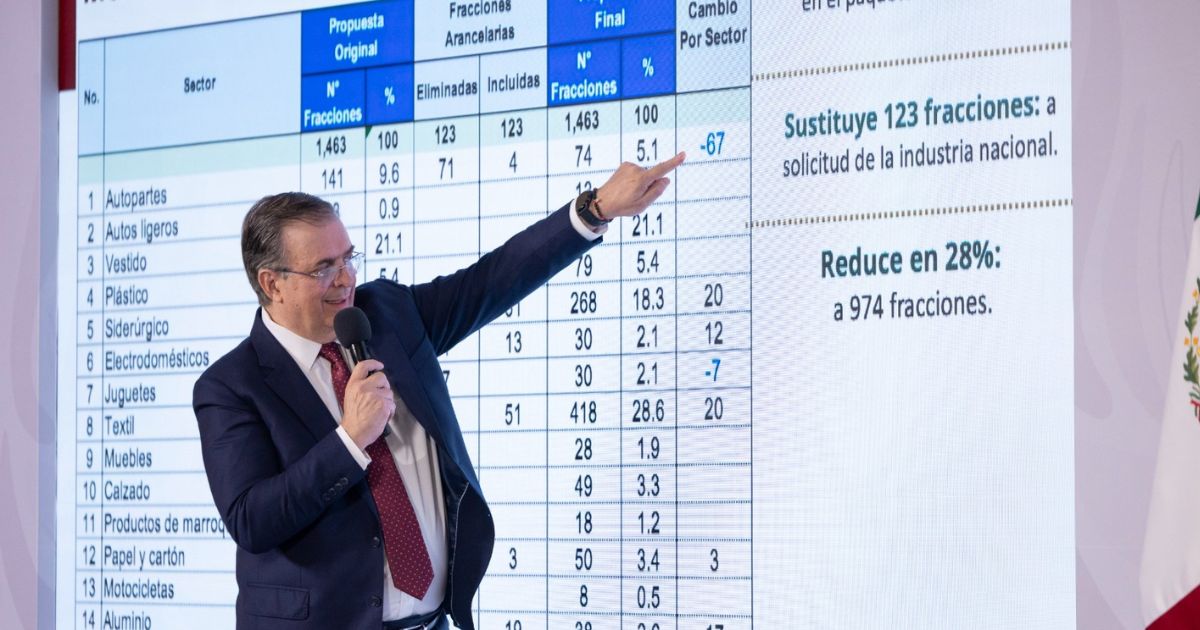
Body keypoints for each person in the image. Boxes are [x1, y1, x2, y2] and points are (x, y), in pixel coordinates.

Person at [193, 152, 685, 630]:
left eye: (348, 258)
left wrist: (594, 210)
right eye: (324, 268)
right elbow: (252, 520)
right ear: (272, 284)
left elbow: (492, 281)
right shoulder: (231, 386)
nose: (346, 279)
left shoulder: (387, 314)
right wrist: (350, 439)